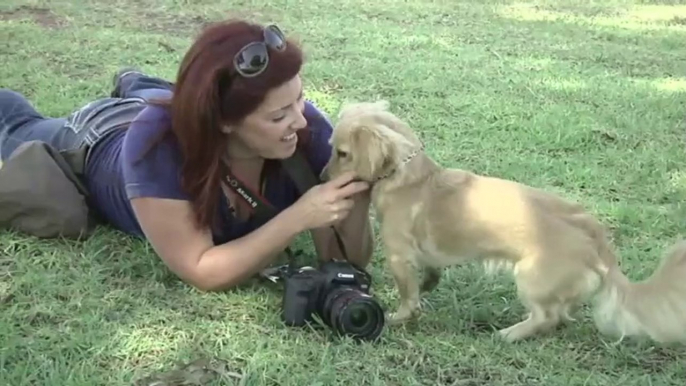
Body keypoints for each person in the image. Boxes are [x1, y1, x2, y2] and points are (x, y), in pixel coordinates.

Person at [0, 19, 374, 291]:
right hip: (100, 136)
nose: (300, 120)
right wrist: (299, 216)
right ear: (226, 122)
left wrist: (356, 195)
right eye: (278, 115)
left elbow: (343, 262)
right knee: (18, 125)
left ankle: (137, 80)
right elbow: (203, 269)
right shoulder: (156, 147)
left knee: (159, 94)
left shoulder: (310, 130)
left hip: (171, 107)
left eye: (300, 99)